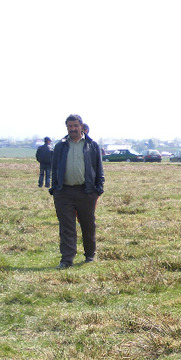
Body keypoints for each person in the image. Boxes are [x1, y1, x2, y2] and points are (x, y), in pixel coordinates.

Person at [49, 114, 104, 269]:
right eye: (69, 126)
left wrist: (98, 190)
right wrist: (55, 189)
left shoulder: (92, 145)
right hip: (64, 192)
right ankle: (67, 259)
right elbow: (54, 169)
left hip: (86, 192)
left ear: (81, 127)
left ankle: (89, 255)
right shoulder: (60, 146)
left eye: (75, 126)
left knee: (88, 225)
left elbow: (99, 169)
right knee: (66, 227)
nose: (72, 129)